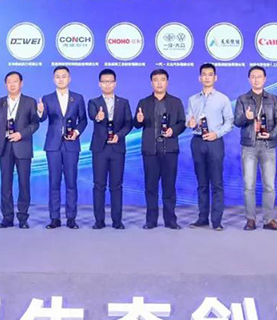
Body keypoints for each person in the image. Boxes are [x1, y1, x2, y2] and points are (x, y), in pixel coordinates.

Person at [0, 71, 40, 228]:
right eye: (9, 82)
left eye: (15, 81)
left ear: (21, 83)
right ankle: (7, 218)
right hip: (4, 146)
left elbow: (35, 123)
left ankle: (23, 218)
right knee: (5, 184)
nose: (12, 84)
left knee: (24, 183)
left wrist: (21, 134)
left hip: (22, 146)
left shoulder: (30, 102)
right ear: (5, 84)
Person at [233, 66, 277, 230]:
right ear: (249, 79)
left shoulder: (273, 99)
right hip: (249, 146)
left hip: (268, 145)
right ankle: (250, 219)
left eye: (259, 76)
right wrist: (246, 117)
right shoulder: (242, 99)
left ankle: (268, 220)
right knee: (249, 185)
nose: (256, 80)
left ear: (265, 79)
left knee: (269, 185)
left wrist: (271, 134)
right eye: (253, 77)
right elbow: (237, 122)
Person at [133, 69, 186, 229]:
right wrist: (139, 120)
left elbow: (182, 123)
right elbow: (136, 125)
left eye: (162, 79)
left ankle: (170, 220)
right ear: (151, 83)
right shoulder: (143, 102)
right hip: (150, 151)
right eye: (156, 80)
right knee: (150, 188)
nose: (159, 83)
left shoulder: (176, 102)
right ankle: (151, 220)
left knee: (169, 187)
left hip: (169, 150)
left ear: (167, 82)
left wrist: (173, 130)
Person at [37, 66, 87, 229]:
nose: (61, 79)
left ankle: (71, 218)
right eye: (57, 77)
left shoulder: (78, 98)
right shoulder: (47, 98)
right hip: (53, 145)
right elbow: (42, 119)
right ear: (53, 80)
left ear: (69, 79)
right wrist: (40, 112)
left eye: (64, 76)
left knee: (71, 182)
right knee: (54, 182)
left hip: (72, 145)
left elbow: (83, 120)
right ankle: (54, 218)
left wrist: (76, 132)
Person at [186, 63, 233, 231]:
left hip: (215, 142)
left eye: (210, 74)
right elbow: (188, 119)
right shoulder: (192, 99)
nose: (207, 77)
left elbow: (229, 122)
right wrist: (190, 123)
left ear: (215, 77)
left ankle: (217, 220)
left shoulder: (223, 99)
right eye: (204, 74)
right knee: (202, 183)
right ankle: (202, 218)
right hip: (197, 141)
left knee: (217, 183)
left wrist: (216, 134)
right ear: (199, 78)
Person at [87, 68, 132, 229]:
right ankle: (99, 221)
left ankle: (117, 221)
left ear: (115, 83)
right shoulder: (93, 102)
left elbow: (128, 123)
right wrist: (98, 117)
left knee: (116, 186)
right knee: (99, 185)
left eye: (110, 81)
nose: (107, 84)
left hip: (117, 148)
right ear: (99, 84)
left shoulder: (124, 102)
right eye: (104, 82)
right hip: (100, 149)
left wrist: (119, 135)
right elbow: (92, 115)